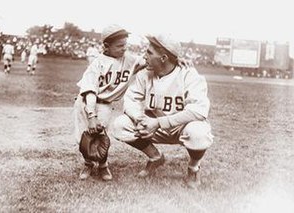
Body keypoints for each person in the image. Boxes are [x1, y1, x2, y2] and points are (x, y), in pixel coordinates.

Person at [113, 34, 214, 188]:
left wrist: (159, 123)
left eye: (149, 52)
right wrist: (139, 119)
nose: (144, 56)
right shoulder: (144, 75)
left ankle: (194, 168)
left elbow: (199, 110)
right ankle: (155, 157)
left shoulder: (189, 75)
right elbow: (130, 100)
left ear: (164, 58)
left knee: (199, 132)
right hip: (152, 126)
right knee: (121, 124)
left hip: (181, 127)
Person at [73, 24, 146, 181]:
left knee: (101, 136)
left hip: (105, 104)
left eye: (125, 44)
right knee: (84, 137)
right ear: (106, 46)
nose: (124, 48)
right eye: (119, 45)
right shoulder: (97, 63)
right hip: (87, 101)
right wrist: (91, 115)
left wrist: (177, 61)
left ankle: (103, 165)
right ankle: (88, 163)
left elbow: (149, 61)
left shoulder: (128, 59)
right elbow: (90, 91)